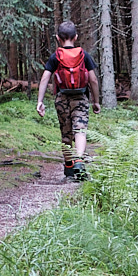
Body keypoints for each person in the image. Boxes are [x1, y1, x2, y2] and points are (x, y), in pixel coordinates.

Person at [36, 22, 101, 181]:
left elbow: (45, 78)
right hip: (81, 98)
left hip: (62, 99)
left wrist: (40, 101)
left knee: (66, 133)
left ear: (58, 38)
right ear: (76, 37)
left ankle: (69, 167)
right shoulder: (84, 55)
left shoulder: (55, 57)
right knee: (80, 130)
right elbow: (93, 80)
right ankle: (79, 161)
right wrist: (96, 101)